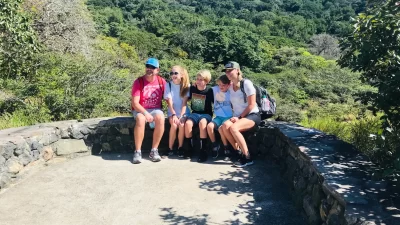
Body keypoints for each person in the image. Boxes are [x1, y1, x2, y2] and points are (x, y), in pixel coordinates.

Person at [220, 61, 261, 167]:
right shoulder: (231, 86)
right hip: (239, 117)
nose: (228, 73)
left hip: (252, 115)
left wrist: (239, 117)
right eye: (226, 71)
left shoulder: (246, 83)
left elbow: (251, 105)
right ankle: (239, 153)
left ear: (237, 70)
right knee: (224, 127)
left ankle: (248, 157)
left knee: (233, 128)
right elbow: (219, 89)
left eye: (230, 70)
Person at [131, 58, 166, 164]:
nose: (149, 69)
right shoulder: (139, 82)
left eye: (152, 67)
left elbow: (169, 97)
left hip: (155, 109)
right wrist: (145, 113)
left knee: (160, 117)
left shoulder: (161, 81)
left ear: (157, 70)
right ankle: (137, 151)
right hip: (140, 110)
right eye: (148, 66)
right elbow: (135, 103)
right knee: (141, 119)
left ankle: (154, 150)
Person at [183, 69, 214, 162]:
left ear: (207, 81)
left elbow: (216, 103)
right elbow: (186, 99)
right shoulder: (192, 88)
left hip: (206, 114)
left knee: (202, 123)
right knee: (188, 123)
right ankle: (189, 148)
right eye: (198, 79)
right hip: (195, 113)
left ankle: (203, 150)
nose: (199, 81)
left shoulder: (210, 91)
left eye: (201, 80)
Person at [162, 65, 190, 158]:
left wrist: (181, 116)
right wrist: (174, 115)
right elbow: (169, 103)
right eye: (172, 73)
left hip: (184, 111)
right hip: (172, 111)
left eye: (175, 73)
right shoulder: (168, 85)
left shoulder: (186, 86)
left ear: (181, 75)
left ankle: (180, 148)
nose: (173, 75)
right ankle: (170, 148)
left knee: (181, 124)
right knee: (174, 125)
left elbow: (184, 103)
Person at [206, 75, 233, 159]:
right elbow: (205, 88)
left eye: (223, 85)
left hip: (228, 117)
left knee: (221, 129)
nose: (221, 86)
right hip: (218, 116)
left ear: (229, 85)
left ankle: (226, 147)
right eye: (219, 84)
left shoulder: (231, 92)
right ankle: (215, 145)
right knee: (209, 126)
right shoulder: (214, 90)